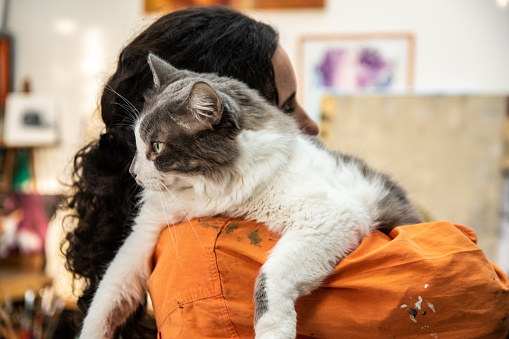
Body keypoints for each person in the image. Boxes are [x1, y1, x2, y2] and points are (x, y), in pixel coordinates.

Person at [63, 6, 509, 339]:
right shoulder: (209, 256)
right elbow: (480, 294)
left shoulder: (190, 213)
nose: (310, 123)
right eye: (285, 104)